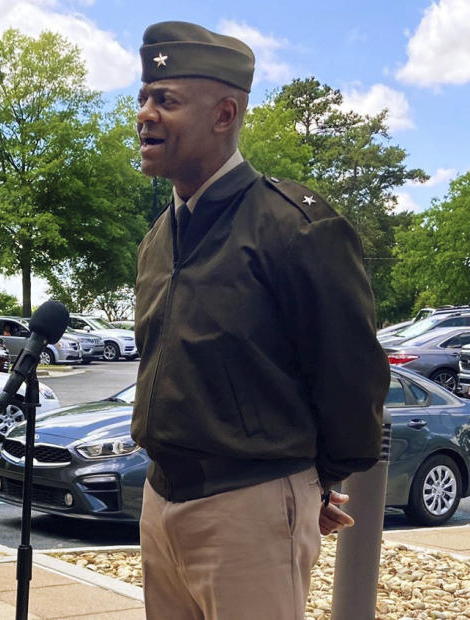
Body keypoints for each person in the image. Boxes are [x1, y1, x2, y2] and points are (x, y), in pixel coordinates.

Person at [131, 21, 392, 620]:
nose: (145, 114)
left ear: (224, 114)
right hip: (159, 496)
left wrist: (308, 481)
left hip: (247, 506)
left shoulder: (294, 227)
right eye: (143, 98)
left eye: (165, 100)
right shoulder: (157, 240)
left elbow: (352, 377)